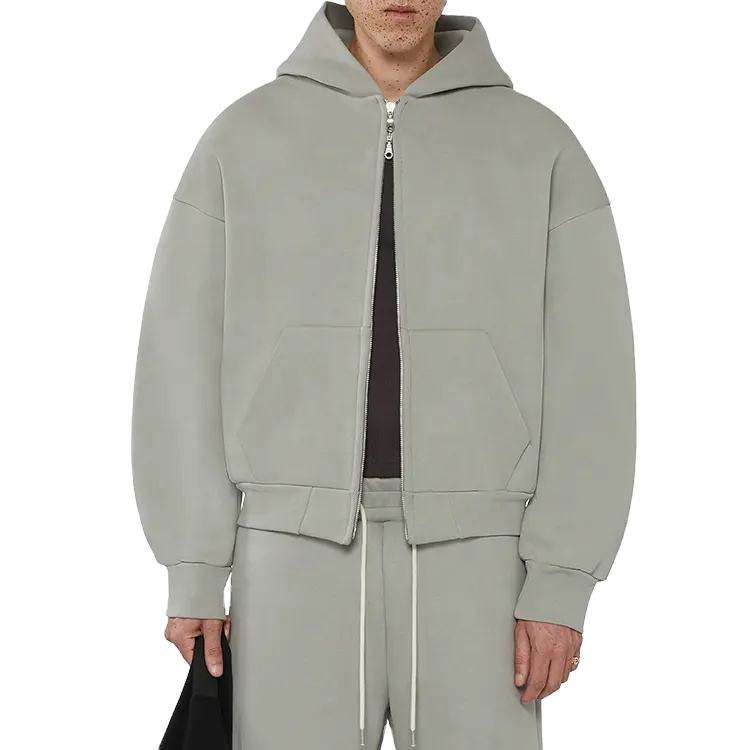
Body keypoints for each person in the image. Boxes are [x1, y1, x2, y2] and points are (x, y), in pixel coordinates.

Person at [132, 2, 636, 748]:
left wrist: (561, 580)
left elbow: (592, 373)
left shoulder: (541, 147)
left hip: (483, 560)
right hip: (289, 552)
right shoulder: (241, 141)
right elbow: (180, 356)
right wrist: (194, 565)